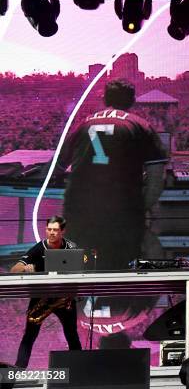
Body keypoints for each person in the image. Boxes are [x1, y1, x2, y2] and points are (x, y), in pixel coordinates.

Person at [58, 79, 168, 270]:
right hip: (121, 212)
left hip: (78, 209)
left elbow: (57, 165)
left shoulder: (83, 123)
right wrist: (140, 208)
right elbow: (157, 179)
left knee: (70, 274)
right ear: (133, 101)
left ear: (104, 99)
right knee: (118, 273)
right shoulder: (141, 125)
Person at [10, 215, 82, 368]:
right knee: (29, 337)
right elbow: (14, 269)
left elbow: (79, 272)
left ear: (63, 231)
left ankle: (79, 371)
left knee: (72, 335)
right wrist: (26, 268)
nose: (52, 233)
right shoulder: (38, 248)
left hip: (64, 299)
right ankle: (16, 373)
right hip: (41, 298)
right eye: (49, 229)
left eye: (55, 230)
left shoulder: (72, 247)